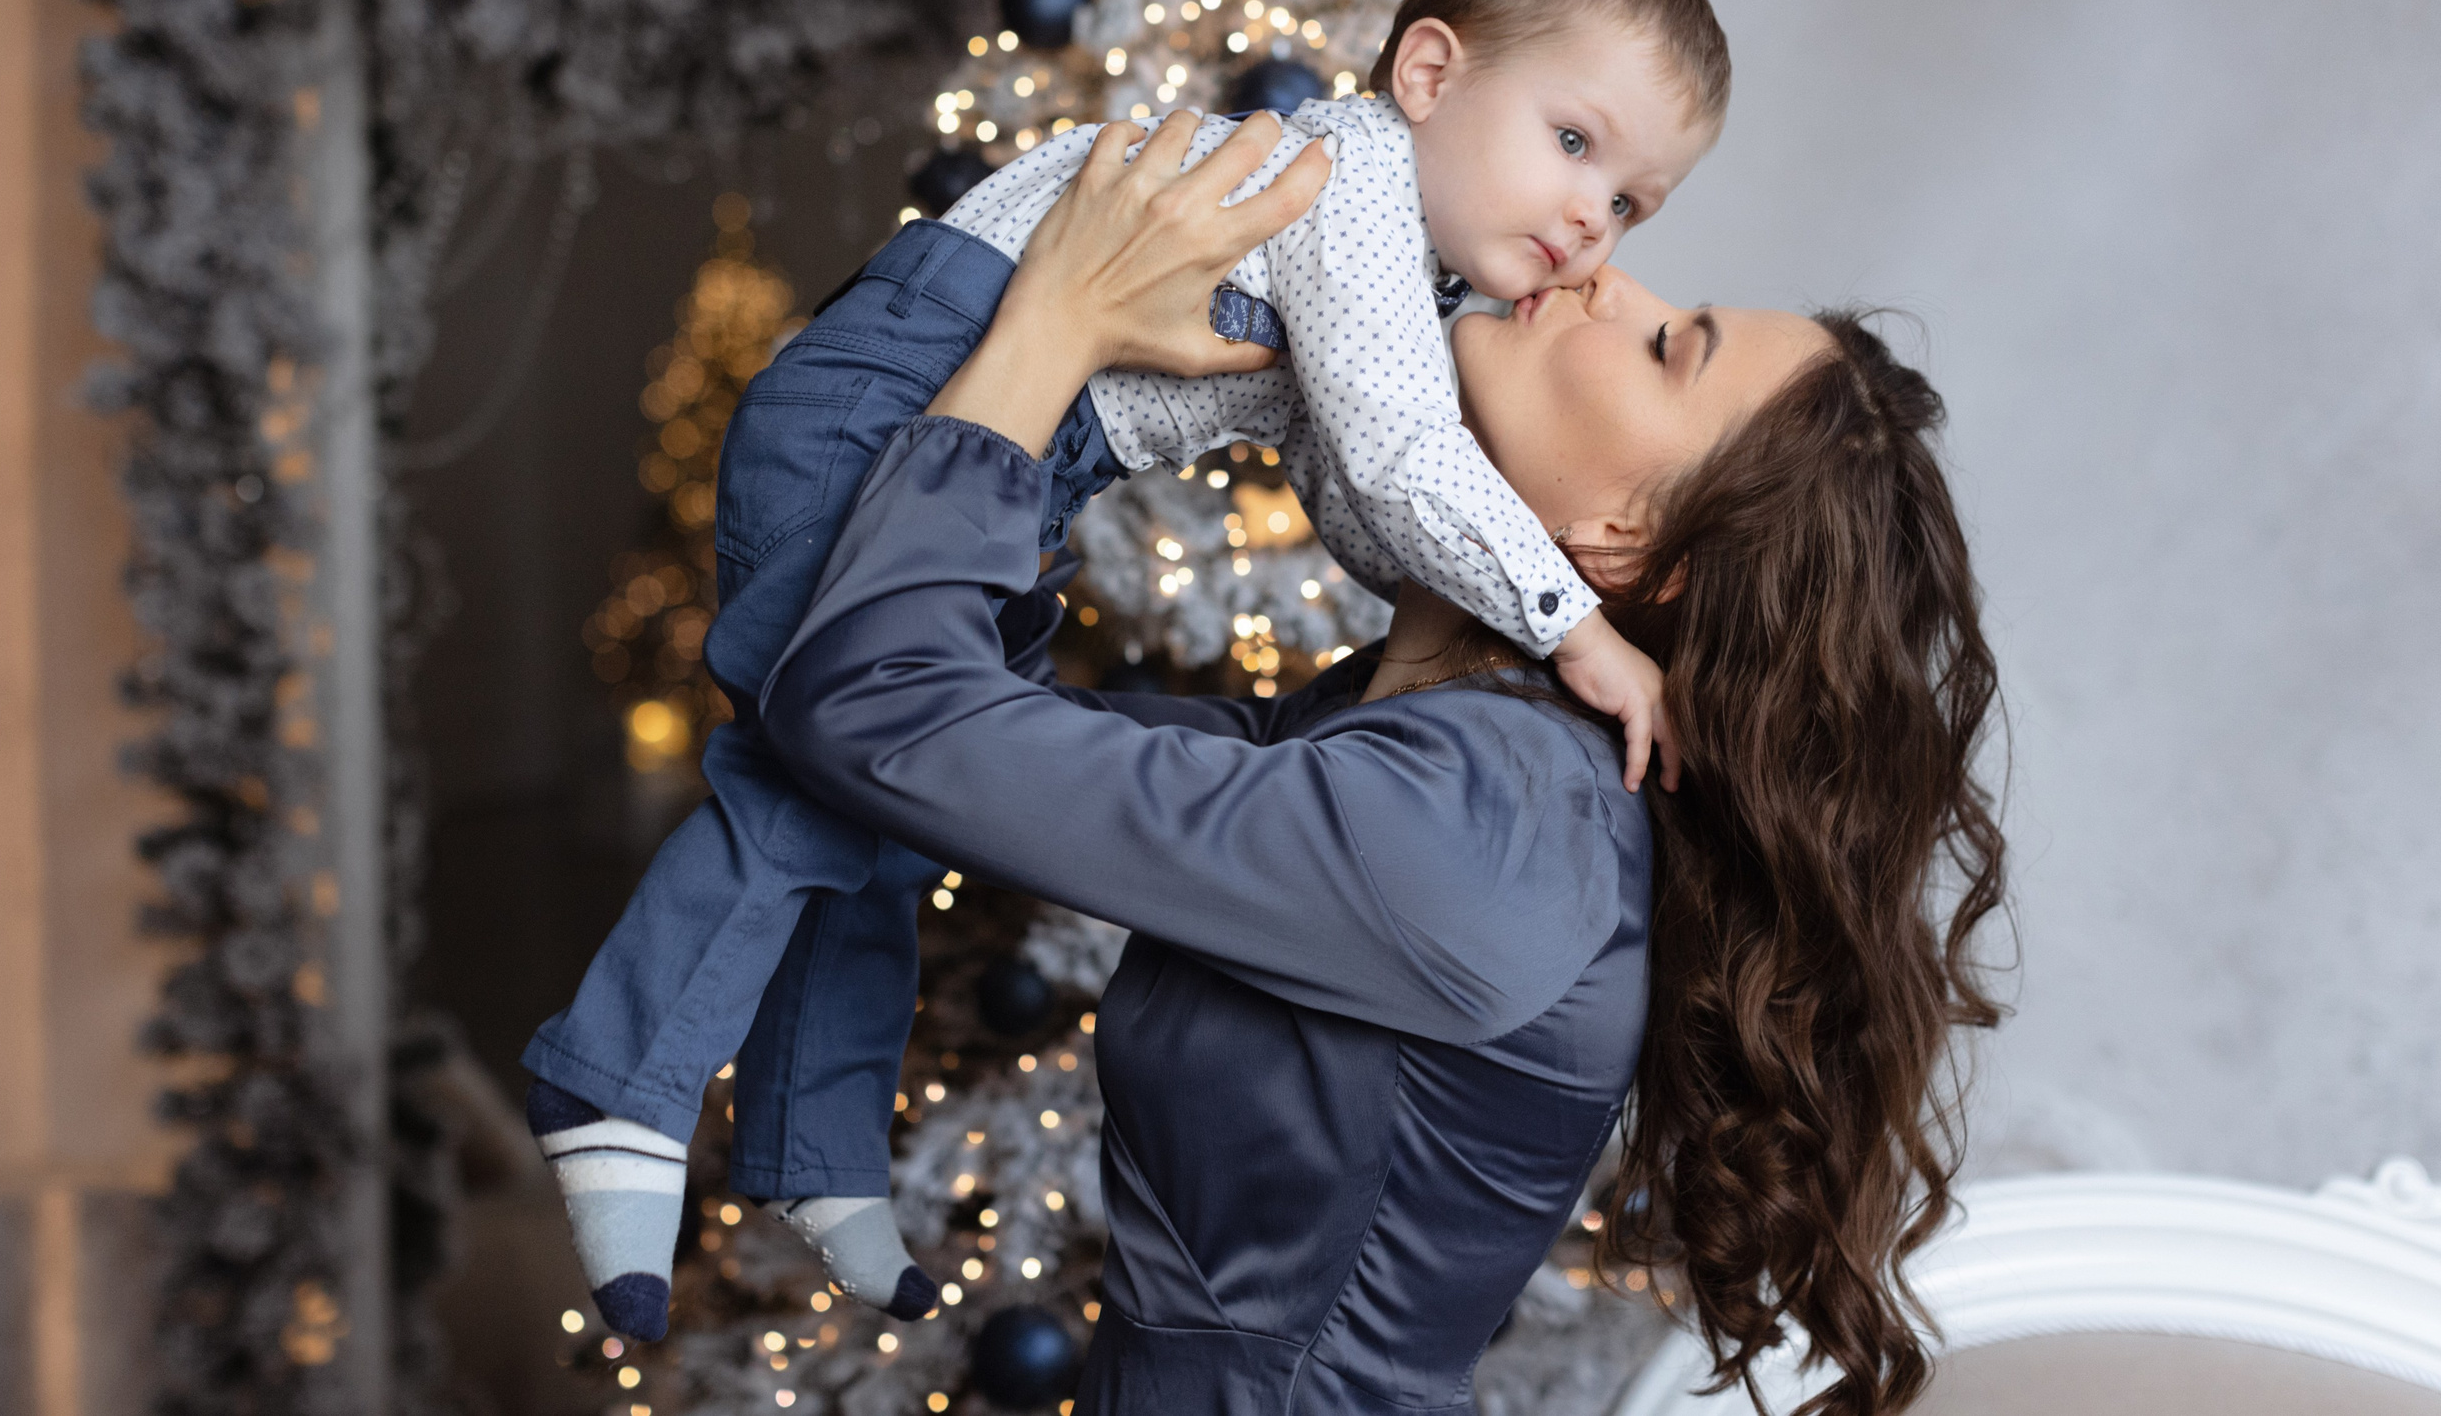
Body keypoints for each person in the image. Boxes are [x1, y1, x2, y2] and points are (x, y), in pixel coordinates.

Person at [523, 0, 1730, 1335]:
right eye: (1576, 143)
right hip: (892, 403)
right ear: (1427, 76)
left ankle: (812, 1146)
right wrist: (1573, 624)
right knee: (801, 786)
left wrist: (1483, 600)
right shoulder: (1348, 179)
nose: (1594, 223)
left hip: (1013, 466)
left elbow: (1357, 499)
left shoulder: (1410, 281)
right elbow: (1401, 462)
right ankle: (613, 1075)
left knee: (883, 824)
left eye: (1634, 202)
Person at [755, 118, 2010, 1416]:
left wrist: (1053, 325)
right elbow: (944, 729)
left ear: (1633, 544)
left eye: (1664, 346)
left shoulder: (1494, 822)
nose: (1605, 272)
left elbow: (873, 706)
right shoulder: (1422, 739)